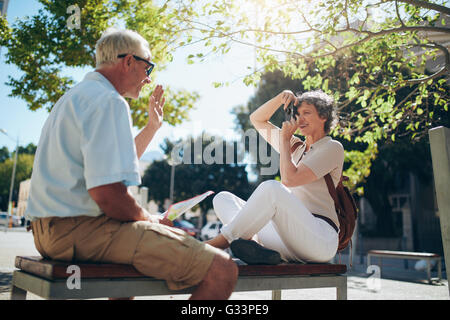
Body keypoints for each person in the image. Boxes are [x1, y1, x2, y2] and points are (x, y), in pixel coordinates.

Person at [25, 28, 237, 300]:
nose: (148, 79)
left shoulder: (75, 98)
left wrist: (151, 128)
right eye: (147, 66)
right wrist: (151, 220)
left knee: (130, 271)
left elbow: (110, 164)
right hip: (80, 231)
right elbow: (108, 195)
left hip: (49, 233)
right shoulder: (109, 102)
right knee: (221, 270)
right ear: (127, 61)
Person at [206, 90, 344, 265]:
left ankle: (218, 243)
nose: (300, 119)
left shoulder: (332, 147)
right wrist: (281, 97)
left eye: (306, 113)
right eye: (298, 114)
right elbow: (257, 120)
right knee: (222, 199)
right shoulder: (297, 148)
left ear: (323, 116)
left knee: (272, 188)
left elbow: (289, 180)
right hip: (287, 243)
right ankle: (255, 248)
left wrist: (285, 141)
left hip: (320, 241)